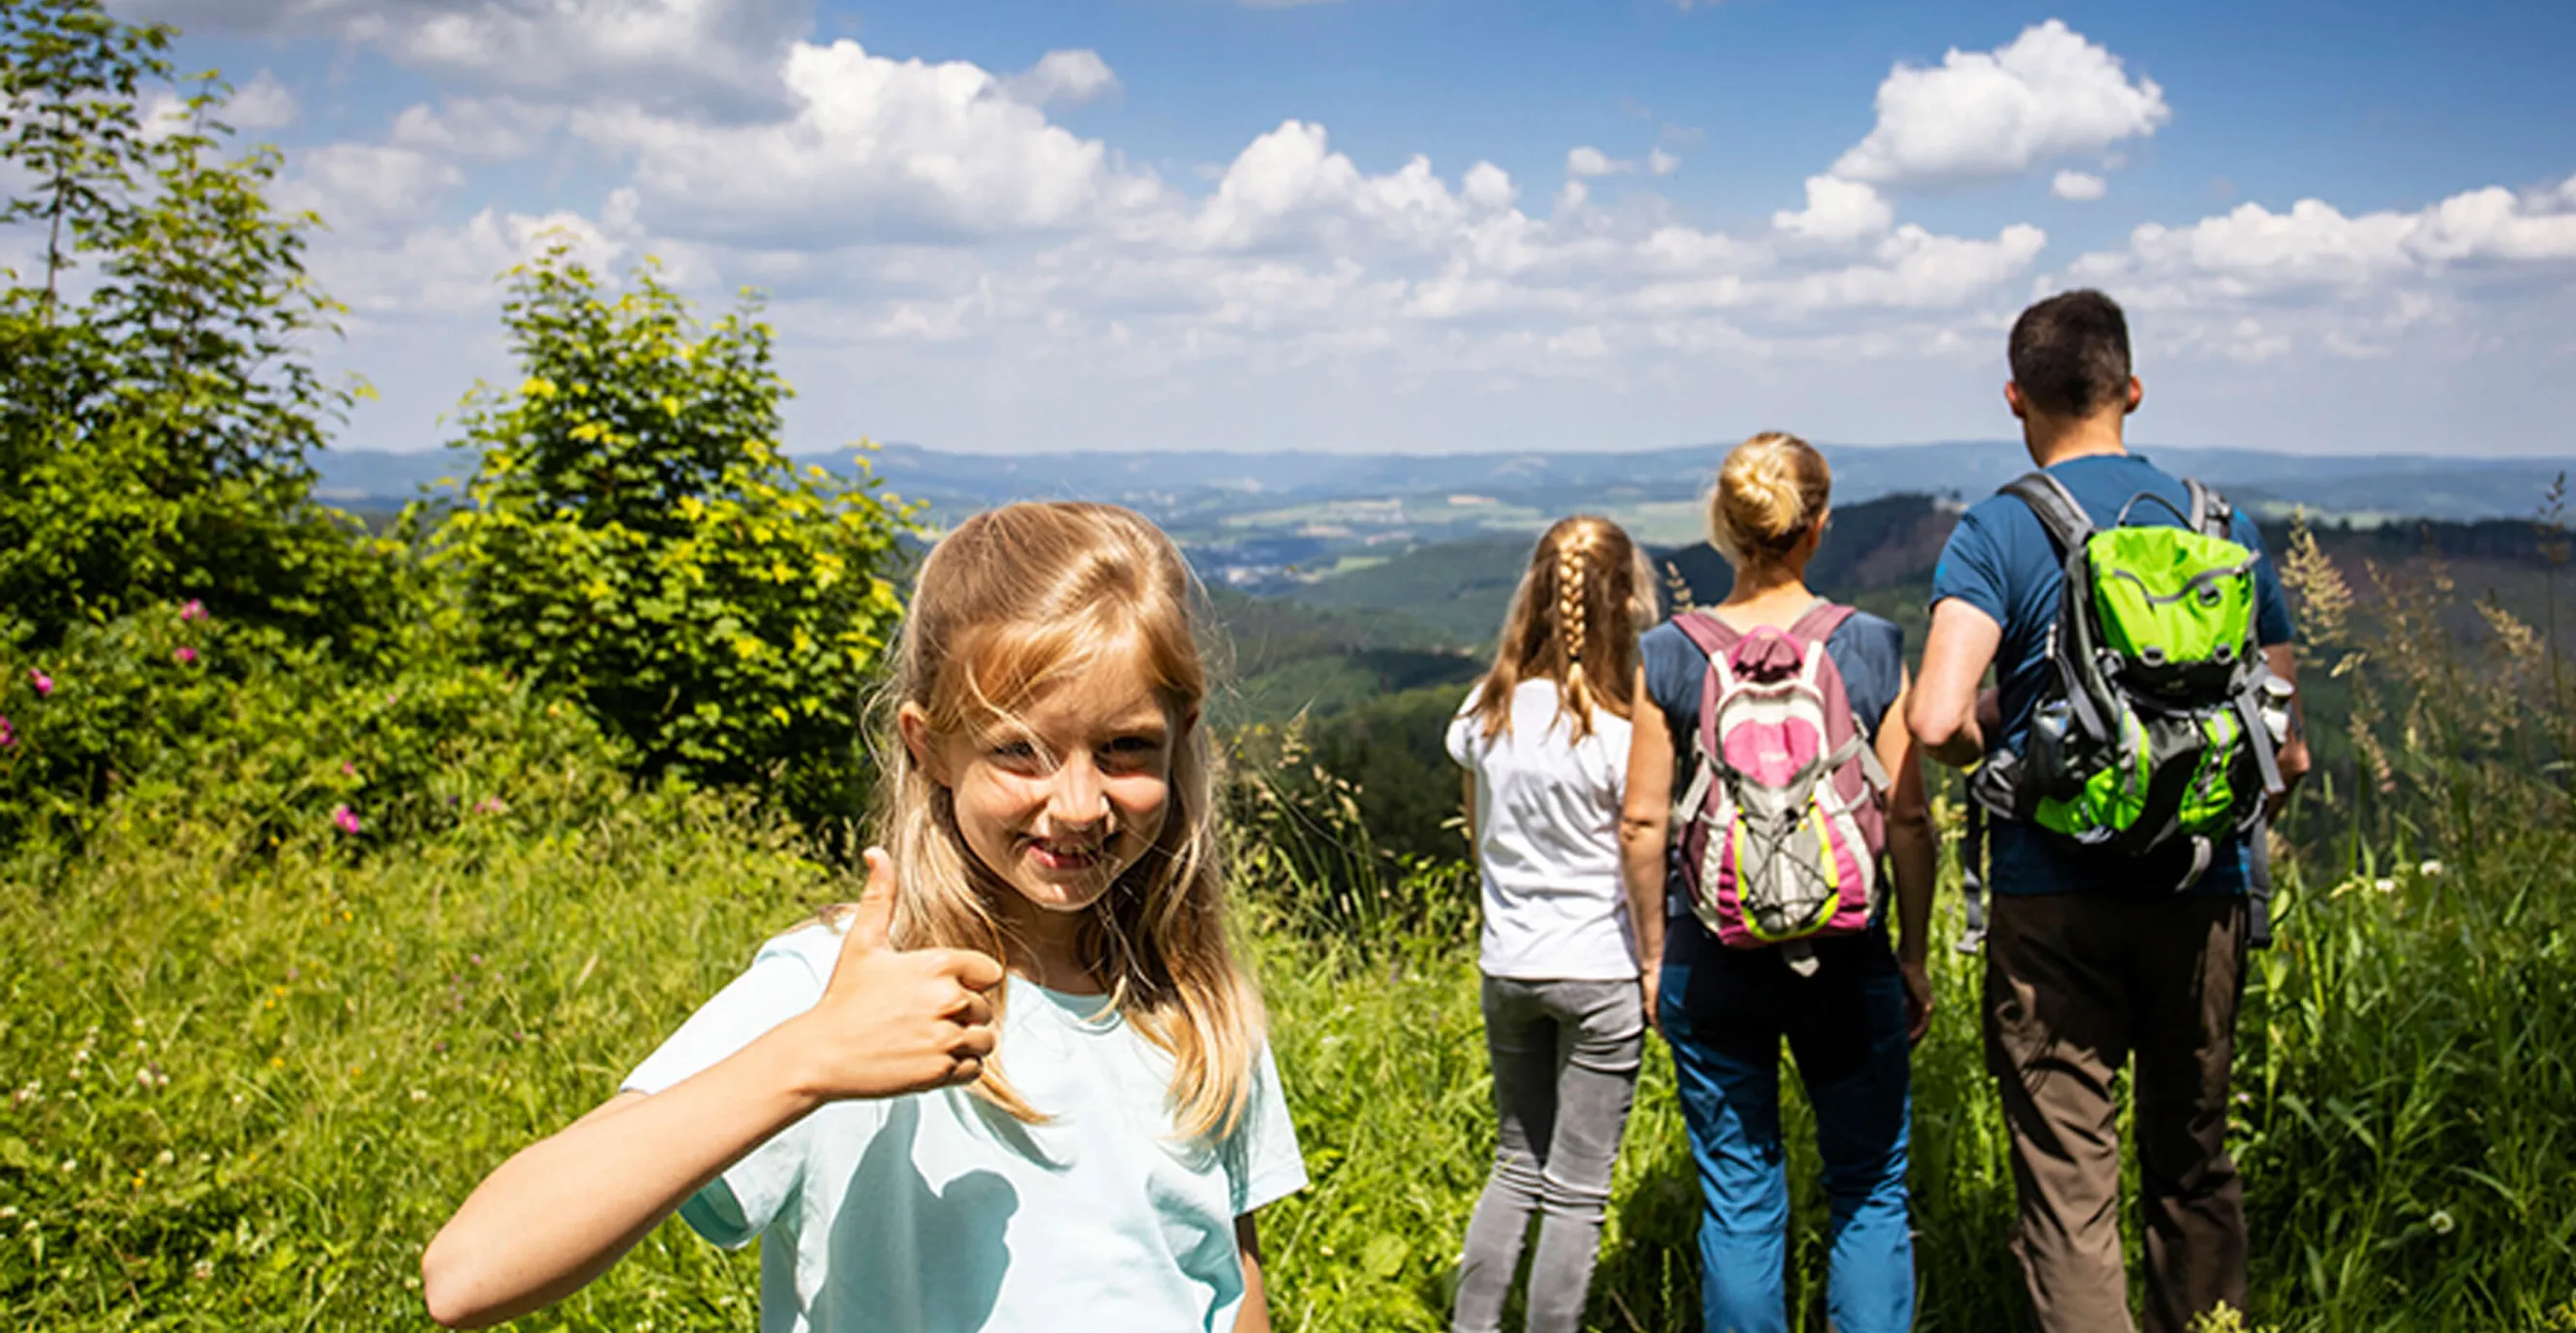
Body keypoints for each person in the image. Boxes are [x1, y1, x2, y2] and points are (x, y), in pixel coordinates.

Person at [421, 501, 1305, 1333]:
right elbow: (469, 1273)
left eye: (1123, 748)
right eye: (1019, 752)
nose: (1077, 804)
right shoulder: (844, 991)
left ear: (1182, 732)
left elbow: (1228, 1276)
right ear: (930, 749)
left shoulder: (1193, 1004)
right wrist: (808, 1060)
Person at [1907, 288, 2310, 1333]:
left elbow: (1938, 716)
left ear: (2014, 398)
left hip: (2051, 904)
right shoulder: (2225, 526)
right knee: (2193, 1164)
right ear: (2131, 388)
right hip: (2201, 894)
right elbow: (2287, 752)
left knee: (2069, 1190)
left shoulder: (1999, 528)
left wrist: (2007, 750)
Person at [1619, 433, 1937, 1333]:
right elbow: (1909, 820)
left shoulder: (1671, 653)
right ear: (1819, 527)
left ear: (1723, 527)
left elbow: (1644, 822)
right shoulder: (1871, 648)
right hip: (1848, 951)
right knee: (1869, 1189)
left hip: (1711, 955)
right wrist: (1911, 953)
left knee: (1741, 1201)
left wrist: (1652, 958)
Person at [1446, 515, 1658, 1333]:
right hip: (1600, 968)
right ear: (1624, 604)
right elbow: (1642, 845)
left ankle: (1471, 1326)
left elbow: (1479, 838)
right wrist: (1652, 959)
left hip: (1509, 963)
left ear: (1530, 597)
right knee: (1578, 1190)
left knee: (1514, 1165)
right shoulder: (1625, 731)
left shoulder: (1484, 713)